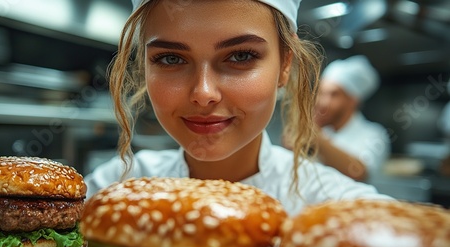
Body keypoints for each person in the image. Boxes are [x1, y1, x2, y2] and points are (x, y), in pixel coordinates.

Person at [84, 0, 392, 217]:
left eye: (241, 56)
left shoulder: (333, 205)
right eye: (171, 59)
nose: (204, 94)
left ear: (285, 64)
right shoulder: (114, 188)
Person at [311, 55, 391, 182]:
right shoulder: (325, 132)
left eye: (333, 94)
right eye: (321, 93)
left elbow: (358, 172)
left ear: (353, 100)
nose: (322, 102)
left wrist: (313, 135)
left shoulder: (375, 135)